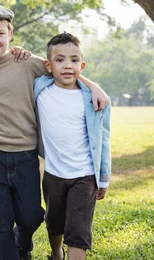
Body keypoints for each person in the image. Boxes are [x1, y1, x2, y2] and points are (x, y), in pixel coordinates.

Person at [0, 4, 108, 260]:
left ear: (11, 34)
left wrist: (93, 85)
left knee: (32, 216)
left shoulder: (27, 63)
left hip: (25, 155)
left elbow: (64, 70)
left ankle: (24, 240)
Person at [34, 32, 111, 260]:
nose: (68, 65)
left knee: (78, 232)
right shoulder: (41, 88)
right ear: (48, 65)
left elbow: (103, 139)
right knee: (54, 222)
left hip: (85, 176)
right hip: (53, 173)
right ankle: (56, 253)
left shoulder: (94, 99)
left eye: (74, 60)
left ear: (82, 64)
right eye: (60, 60)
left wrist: (104, 178)